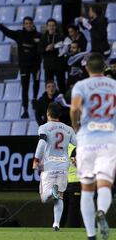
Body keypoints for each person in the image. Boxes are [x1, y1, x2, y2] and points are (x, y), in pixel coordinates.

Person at [70, 52, 116, 240]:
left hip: (87, 140)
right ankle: (102, 211)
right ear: (104, 68)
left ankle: (91, 235)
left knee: (87, 190)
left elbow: (74, 108)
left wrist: (76, 126)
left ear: (87, 68)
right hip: (109, 141)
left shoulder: (81, 86)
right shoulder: (114, 85)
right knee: (105, 184)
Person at [33, 102, 77, 231]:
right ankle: (56, 224)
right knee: (60, 197)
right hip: (64, 166)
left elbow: (41, 143)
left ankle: (52, 191)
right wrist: (76, 155)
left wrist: (36, 159)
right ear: (60, 114)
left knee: (44, 197)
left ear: (47, 114)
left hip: (49, 165)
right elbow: (78, 144)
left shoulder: (44, 127)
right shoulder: (69, 129)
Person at [0, 17, 41, 118]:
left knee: (36, 83)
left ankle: (34, 99)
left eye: (30, 23)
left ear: (33, 24)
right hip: (24, 66)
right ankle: (25, 110)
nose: (28, 25)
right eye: (26, 23)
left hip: (36, 66)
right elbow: (7, 32)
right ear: (23, 25)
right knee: (25, 88)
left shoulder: (39, 35)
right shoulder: (19, 34)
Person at [39, 18, 65, 93]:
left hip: (59, 64)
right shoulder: (43, 37)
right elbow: (39, 50)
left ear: (56, 26)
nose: (51, 27)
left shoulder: (61, 37)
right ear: (47, 27)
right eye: (49, 25)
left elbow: (64, 49)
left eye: (53, 25)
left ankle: (63, 102)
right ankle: (50, 102)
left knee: (61, 85)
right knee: (49, 86)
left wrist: (55, 47)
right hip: (48, 66)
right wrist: (46, 49)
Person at [60, 144, 82, 228]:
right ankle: (74, 229)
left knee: (63, 208)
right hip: (73, 182)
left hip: (67, 182)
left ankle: (57, 229)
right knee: (73, 210)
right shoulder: (76, 146)